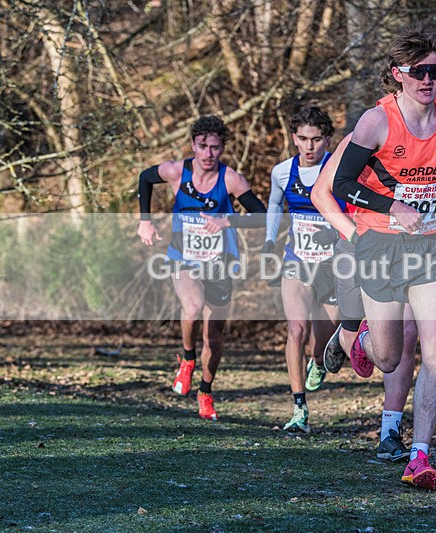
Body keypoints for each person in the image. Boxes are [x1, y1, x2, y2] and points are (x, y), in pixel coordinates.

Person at [331, 23, 436, 489]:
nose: (428, 79)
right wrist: (391, 205)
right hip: (380, 245)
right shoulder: (376, 121)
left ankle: (419, 456)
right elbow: (342, 185)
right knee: (388, 356)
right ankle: (360, 340)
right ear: (399, 74)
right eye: (419, 71)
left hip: (433, 246)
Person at [137, 114, 267, 421]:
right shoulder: (175, 171)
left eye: (215, 147)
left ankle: (205, 391)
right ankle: (187, 357)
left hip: (220, 265)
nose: (208, 154)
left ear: (223, 148)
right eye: (203, 146)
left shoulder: (231, 179)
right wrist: (145, 220)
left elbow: (261, 216)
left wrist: (227, 220)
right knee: (192, 308)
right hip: (183, 258)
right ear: (193, 145)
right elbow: (144, 178)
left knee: (214, 337)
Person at [311, 134, 417, 462]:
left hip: (411, 250)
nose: (425, 81)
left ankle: (390, 433)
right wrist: (352, 233)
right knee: (364, 338)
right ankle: (347, 338)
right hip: (361, 247)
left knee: (408, 334)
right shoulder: (366, 133)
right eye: (415, 77)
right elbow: (321, 193)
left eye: (432, 76)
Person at [263, 106, 342, 434]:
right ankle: (299, 408)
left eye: (317, 140)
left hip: (333, 265)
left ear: (327, 140)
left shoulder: (338, 170)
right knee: (296, 329)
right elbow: (275, 204)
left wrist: (335, 231)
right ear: (294, 138)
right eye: (303, 139)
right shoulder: (282, 171)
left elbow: (356, 210)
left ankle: (318, 362)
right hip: (296, 260)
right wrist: (269, 241)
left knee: (325, 340)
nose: (310, 146)